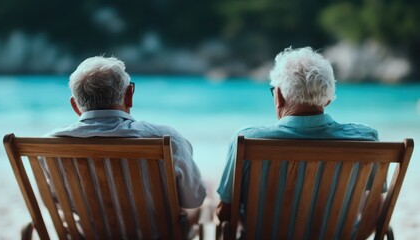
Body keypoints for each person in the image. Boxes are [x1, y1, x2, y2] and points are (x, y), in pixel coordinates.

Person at [216, 47, 384, 239]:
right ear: (328, 99)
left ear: (278, 96)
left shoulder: (245, 140)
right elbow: (374, 209)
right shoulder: (365, 139)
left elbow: (225, 214)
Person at [45, 56, 206, 237]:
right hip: (155, 235)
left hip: (92, 235)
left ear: (75, 105)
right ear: (129, 95)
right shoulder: (167, 138)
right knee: (196, 210)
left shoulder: (48, 145)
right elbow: (195, 198)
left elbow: (58, 202)